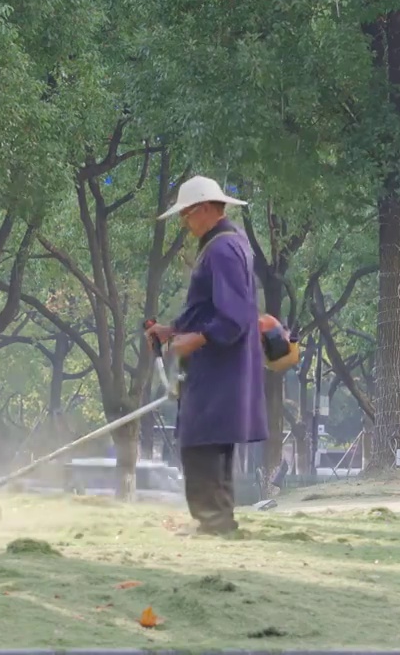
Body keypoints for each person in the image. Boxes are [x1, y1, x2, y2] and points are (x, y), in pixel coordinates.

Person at [145, 175, 267, 536]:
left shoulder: (223, 249)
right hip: (218, 367)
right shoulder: (224, 245)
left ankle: (214, 524)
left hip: (219, 366)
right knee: (212, 444)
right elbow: (209, 307)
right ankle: (218, 522)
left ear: (206, 209)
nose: (184, 222)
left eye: (186, 214)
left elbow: (236, 317)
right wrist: (174, 330)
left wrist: (195, 340)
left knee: (200, 443)